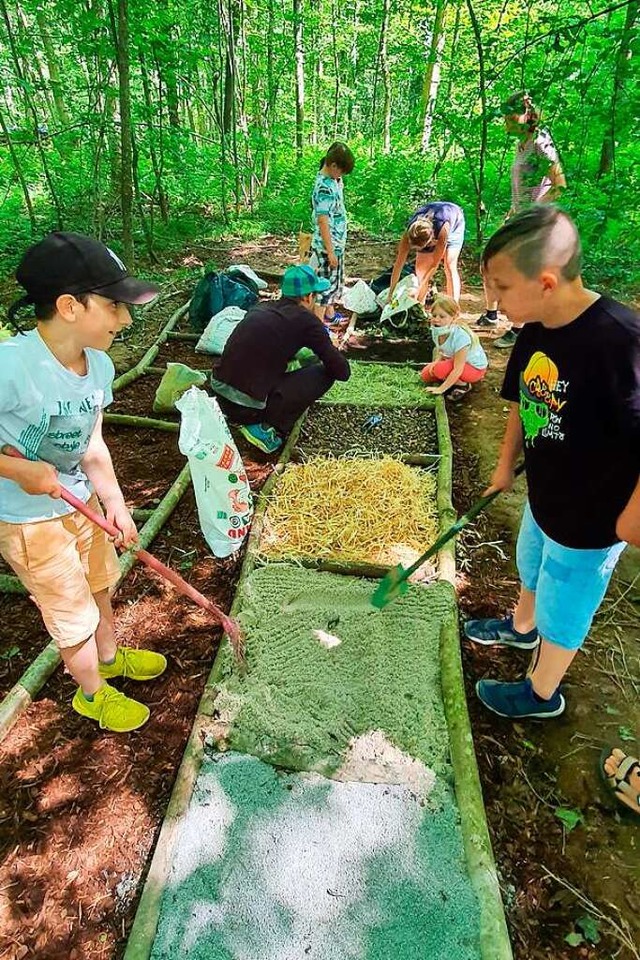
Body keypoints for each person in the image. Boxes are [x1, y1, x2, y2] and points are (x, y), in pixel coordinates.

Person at [464, 206, 640, 720]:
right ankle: (521, 629)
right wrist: (504, 465)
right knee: (532, 566)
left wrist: (633, 514)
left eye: (499, 287)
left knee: (566, 603)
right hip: (546, 494)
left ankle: (542, 693)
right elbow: (522, 400)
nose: (492, 300)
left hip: (593, 516)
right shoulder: (537, 326)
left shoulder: (619, 340)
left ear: (544, 281)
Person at [0, 232, 165, 733]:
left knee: (99, 583)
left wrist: (114, 502)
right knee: (70, 612)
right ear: (70, 306)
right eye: (116, 306)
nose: (127, 319)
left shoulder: (99, 365)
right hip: (31, 525)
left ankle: (110, 657)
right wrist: (16, 469)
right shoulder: (11, 367)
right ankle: (92, 693)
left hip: (81, 502)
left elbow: (92, 445)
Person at [210, 264, 350, 453]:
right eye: (315, 295)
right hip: (247, 408)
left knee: (295, 360)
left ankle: (244, 413)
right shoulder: (307, 321)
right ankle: (268, 427)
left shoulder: (261, 307)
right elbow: (341, 372)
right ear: (307, 297)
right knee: (323, 373)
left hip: (218, 390)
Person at [478, 92, 566, 348]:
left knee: (520, 273)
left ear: (526, 115)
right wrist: (513, 211)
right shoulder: (523, 143)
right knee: (490, 261)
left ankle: (519, 329)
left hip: (534, 222)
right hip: (519, 217)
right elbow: (524, 185)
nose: (505, 121)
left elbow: (560, 184)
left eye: (510, 115)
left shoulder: (541, 142)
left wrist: (532, 212)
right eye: (504, 116)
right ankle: (492, 314)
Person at [309, 141, 355, 322]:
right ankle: (319, 326)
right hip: (327, 245)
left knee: (334, 283)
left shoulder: (333, 180)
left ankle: (329, 314)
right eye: (341, 171)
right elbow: (323, 220)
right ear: (333, 165)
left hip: (336, 243)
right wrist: (330, 251)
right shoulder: (324, 188)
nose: (342, 175)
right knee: (324, 287)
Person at [389, 201, 465, 305]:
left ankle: (453, 306)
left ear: (430, 241)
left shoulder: (442, 229)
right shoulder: (410, 233)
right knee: (421, 271)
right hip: (429, 227)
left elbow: (434, 265)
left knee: (449, 265)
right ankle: (420, 305)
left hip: (454, 220)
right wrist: (390, 294)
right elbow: (398, 264)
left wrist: (418, 288)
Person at [420, 295, 488, 400]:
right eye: (434, 315)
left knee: (439, 370)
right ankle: (450, 380)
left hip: (474, 368)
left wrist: (440, 389)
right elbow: (440, 349)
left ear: (453, 317)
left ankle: (463, 385)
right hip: (455, 360)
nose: (436, 320)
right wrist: (436, 361)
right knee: (425, 375)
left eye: (442, 317)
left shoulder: (460, 337)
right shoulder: (436, 329)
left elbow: (458, 368)